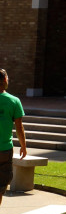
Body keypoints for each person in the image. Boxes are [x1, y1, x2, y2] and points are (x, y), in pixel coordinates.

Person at [0, 69, 26, 206]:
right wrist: (23, 146)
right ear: (5, 80)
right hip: (4, 150)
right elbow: (19, 127)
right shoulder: (14, 101)